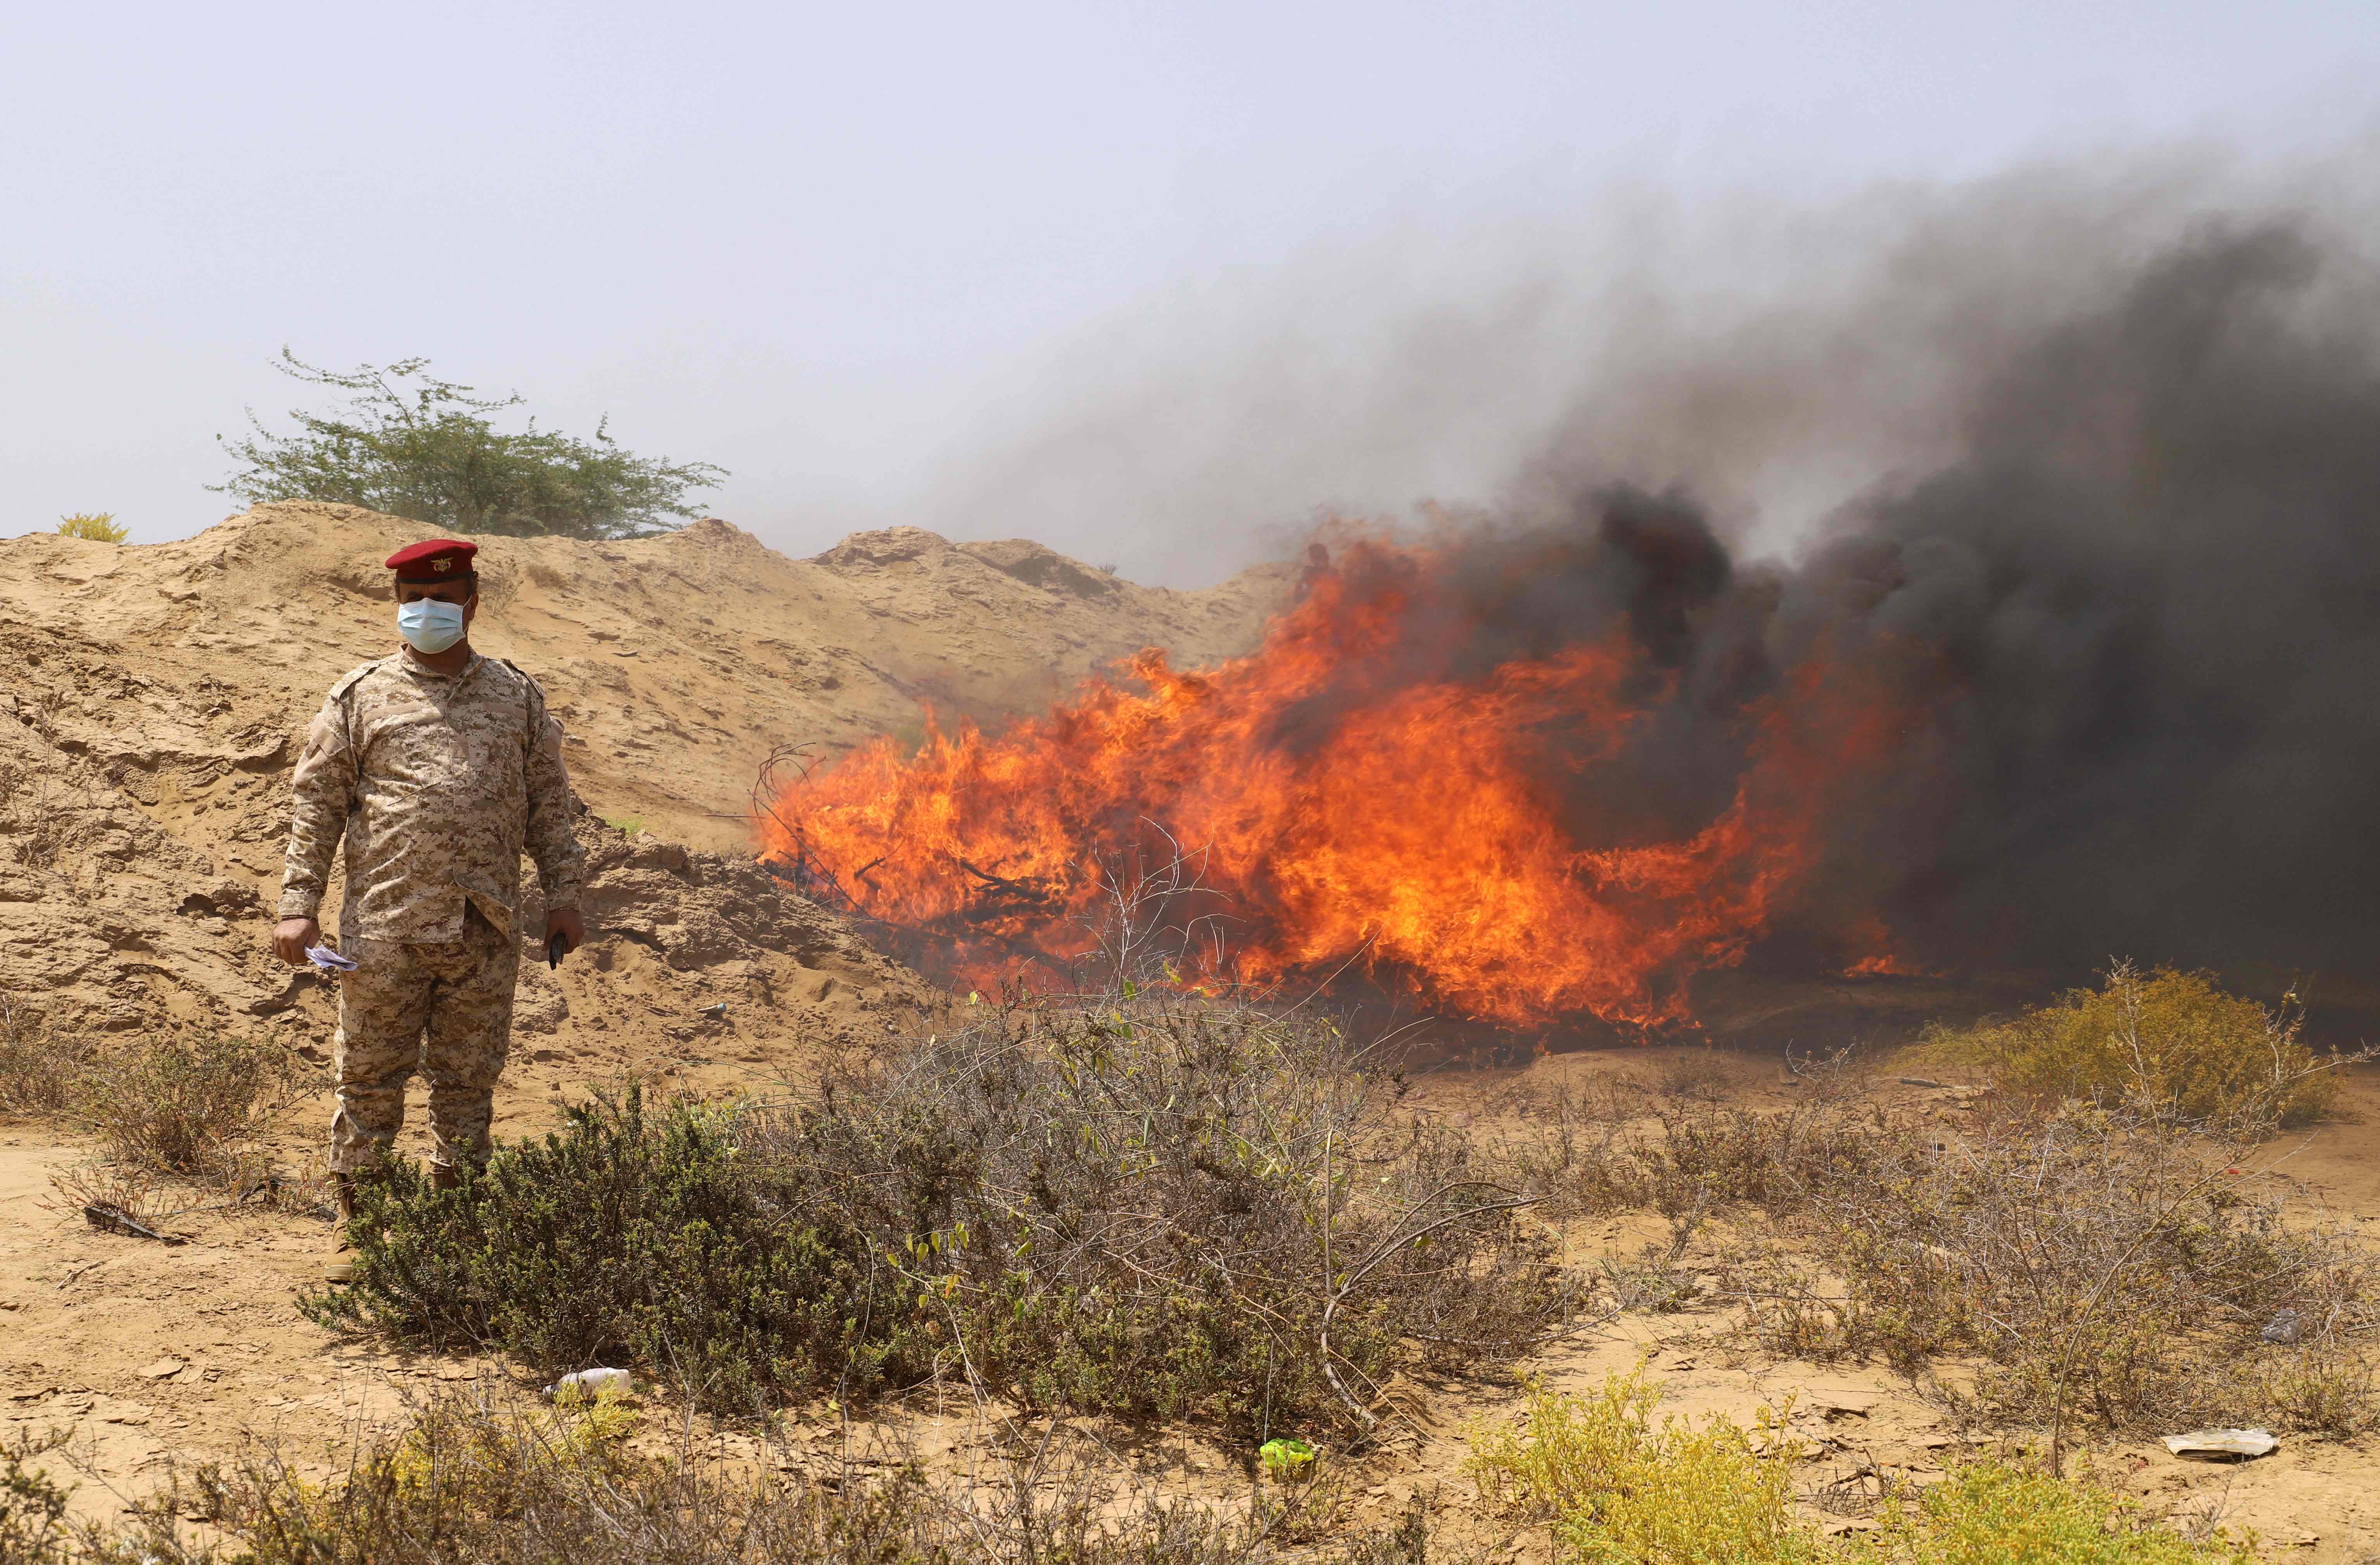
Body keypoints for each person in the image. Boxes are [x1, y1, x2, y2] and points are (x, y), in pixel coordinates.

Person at [271, 538, 586, 1259]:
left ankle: (457, 1241)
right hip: (384, 926)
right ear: (397, 604)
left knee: (467, 1085)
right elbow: (316, 805)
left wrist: (563, 896)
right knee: (369, 1080)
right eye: (414, 599)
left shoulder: (516, 696)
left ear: (472, 604)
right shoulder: (360, 696)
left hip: (485, 926)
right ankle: (366, 1243)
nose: (427, 610)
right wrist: (299, 903)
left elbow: (549, 804)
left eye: (442, 600)